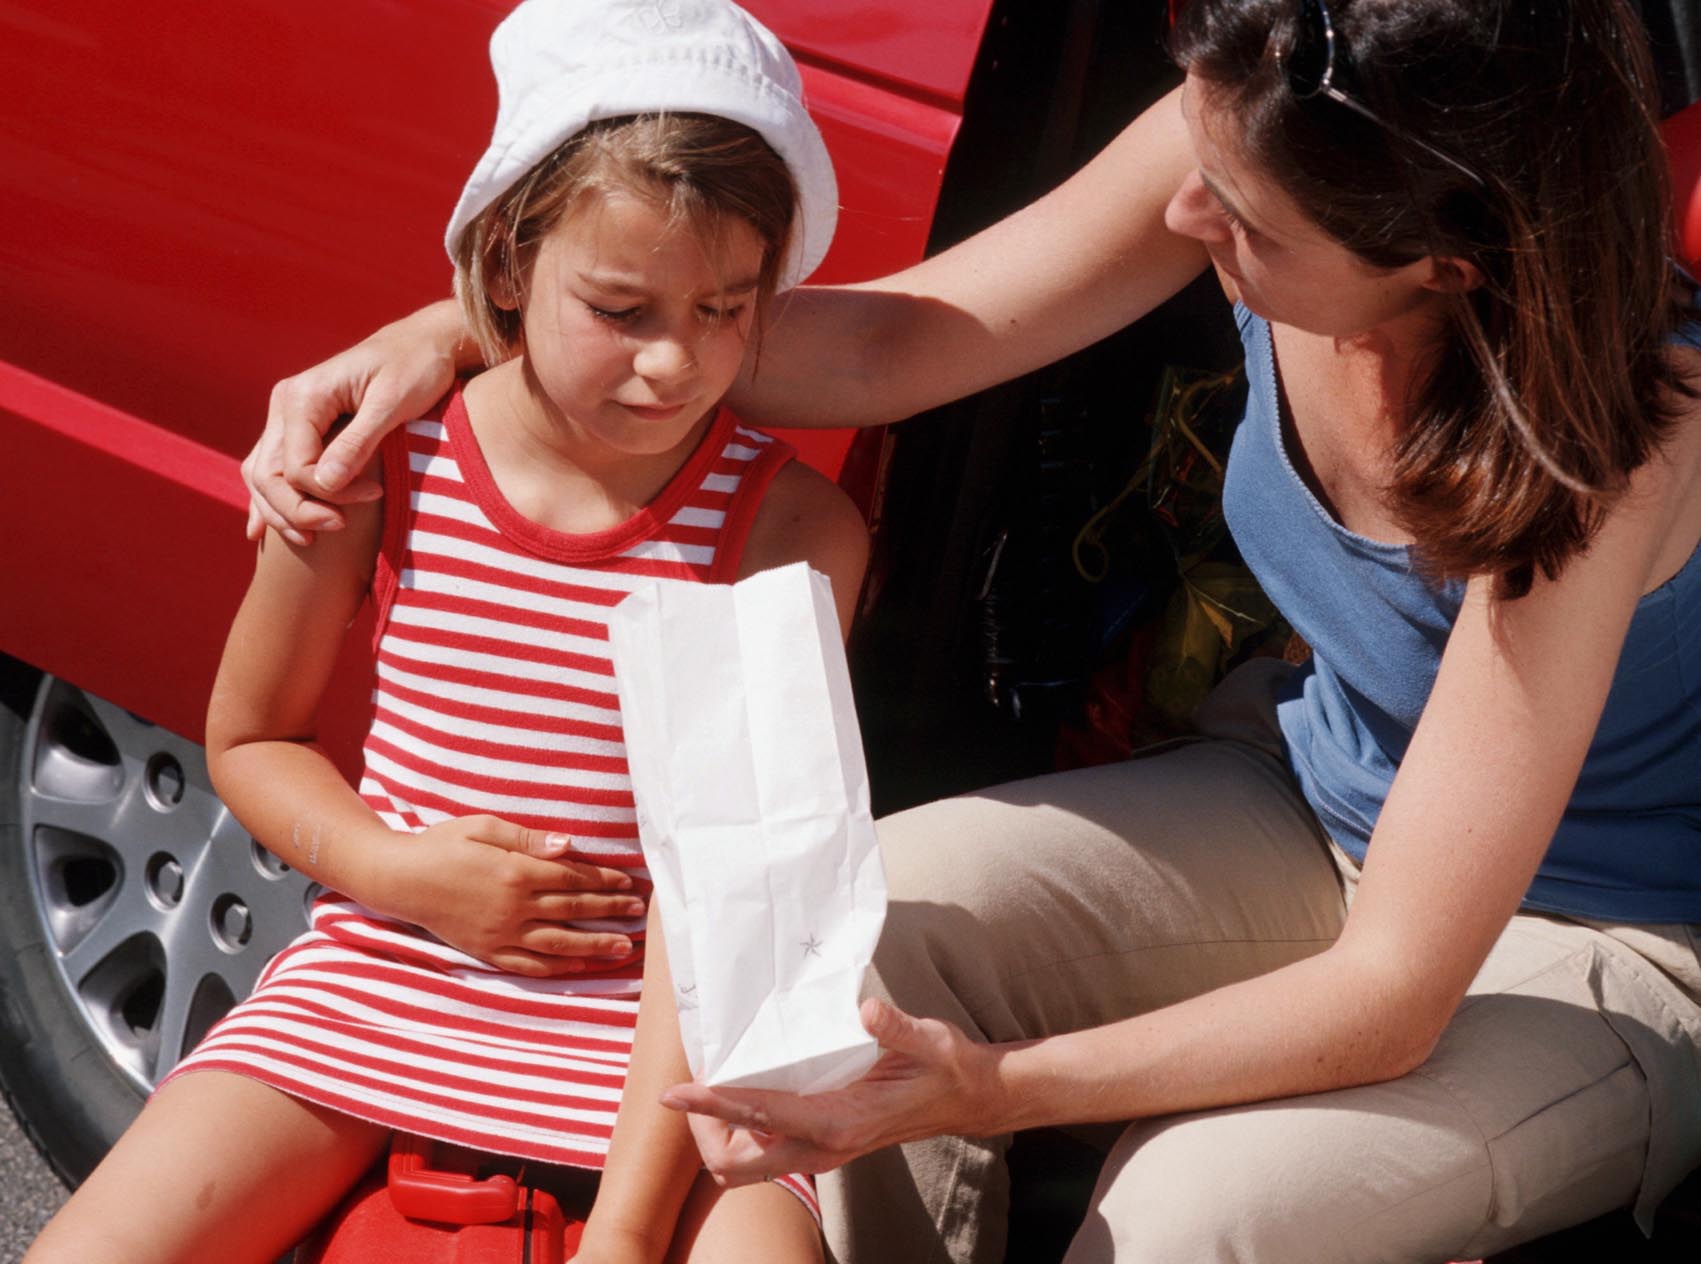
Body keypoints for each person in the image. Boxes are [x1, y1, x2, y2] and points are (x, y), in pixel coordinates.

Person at [241, 0, 1701, 1260]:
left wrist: (992, 1086)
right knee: (851, 951)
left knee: (1194, 1212)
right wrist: (463, 331)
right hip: (1320, 803)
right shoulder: (1263, 120)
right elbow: (897, 339)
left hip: (1606, 932)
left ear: (1443, 264)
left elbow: (1391, 992)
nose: (1188, 219)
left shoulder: (1622, 435)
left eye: (1247, 223)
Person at [24, 2, 868, 1262]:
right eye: (623, 308)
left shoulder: (786, 532)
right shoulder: (382, 459)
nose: (675, 364)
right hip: (383, 973)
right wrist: (398, 873)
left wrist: (624, 1233)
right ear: (509, 264)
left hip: (672, 1043)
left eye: (725, 308)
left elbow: (726, 914)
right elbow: (250, 738)